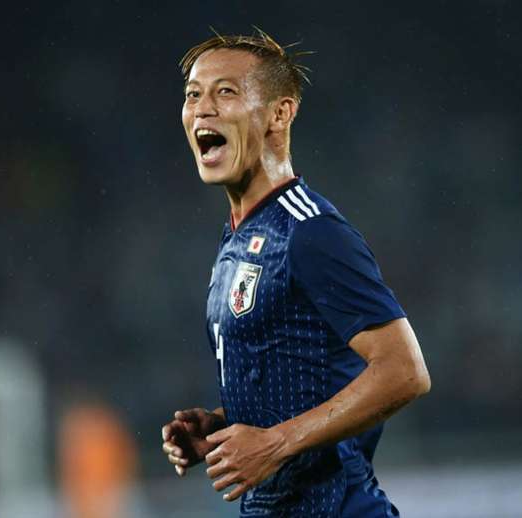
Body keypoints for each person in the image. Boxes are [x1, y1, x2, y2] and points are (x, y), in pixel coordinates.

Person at [161, 28, 431, 517]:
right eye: (193, 95)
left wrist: (273, 443)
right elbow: (307, 375)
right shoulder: (238, 237)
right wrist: (223, 425)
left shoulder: (310, 232)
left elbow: (404, 372)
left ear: (280, 114)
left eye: (225, 92)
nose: (203, 109)